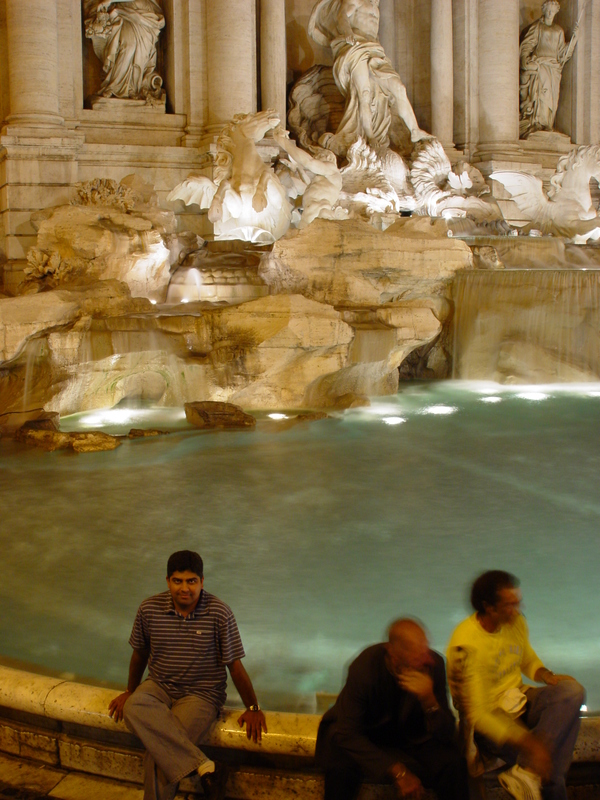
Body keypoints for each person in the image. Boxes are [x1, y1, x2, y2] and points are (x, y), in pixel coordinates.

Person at [108, 550, 267, 800]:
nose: (185, 588)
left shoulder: (219, 613)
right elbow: (139, 654)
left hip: (201, 695)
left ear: (202, 582)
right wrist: (129, 691)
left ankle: (200, 769)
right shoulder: (149, 609)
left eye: (192, 581)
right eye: (178, 581)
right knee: (133, 705)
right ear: (168, 581)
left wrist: (254, 707)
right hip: (158, 686)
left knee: (160, 755)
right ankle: (205, 766)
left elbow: (234, 666)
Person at [447, 570, 585, 800]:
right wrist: (529, 744)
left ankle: (526, 772)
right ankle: (532, 773)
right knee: (551, 766)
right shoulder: (466, 646)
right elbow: (478, 713)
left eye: (518, 602)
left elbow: (526, 657)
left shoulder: (515, 622)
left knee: (572, 692)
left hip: (519, 700)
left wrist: (545, 675)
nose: (518, 610)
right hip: (491, 723)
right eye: (510, 605)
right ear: (489, 607)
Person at [316, 618, 469, 800]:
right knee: (340, 767)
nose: (427, 659)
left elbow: (447, 733)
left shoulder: (433, 665)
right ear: (394, 656)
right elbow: (346, 732)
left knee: (453, 764)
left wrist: (430, 701)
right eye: (417, 656)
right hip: (368, 735)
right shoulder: (365, 667)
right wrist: (398, 771)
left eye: (426, 650)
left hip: (412, 737)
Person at [308, 0, 429, 156]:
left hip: (375, 50)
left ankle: (415, 130)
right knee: (363, 93)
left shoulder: (376, 8)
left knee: (398, 88)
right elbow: (341, 16)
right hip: (356, 48)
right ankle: (370, 136)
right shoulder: (356, 1)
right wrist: (347, 32)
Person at [84, 0, 165, 100]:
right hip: (123, 13)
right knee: (129, 45)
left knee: (140, 53)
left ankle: (134, 88)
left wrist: (109, 1)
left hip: (142, 14)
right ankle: (113, 86)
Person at [519, 1, 578, 138]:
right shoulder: (537, 27)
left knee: (552, 97)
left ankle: (547, 123)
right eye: (548, 10)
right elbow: (527, 45)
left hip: (554, 68)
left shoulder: (558, 31)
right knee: (542, 94)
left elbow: (562, 53)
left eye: (553, 11)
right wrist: (525, 60)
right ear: (544, 11)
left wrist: (574, 39)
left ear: (556, 12)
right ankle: (538, 122)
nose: (550, 13)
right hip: (541, 66)